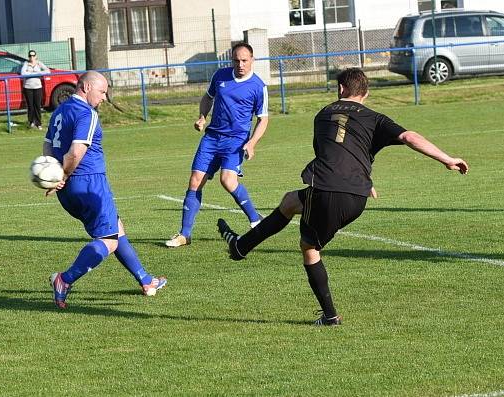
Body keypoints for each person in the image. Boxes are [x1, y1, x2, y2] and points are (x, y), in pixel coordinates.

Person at [217, 67, 469, 326]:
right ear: (366, 93)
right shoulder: (375, 118)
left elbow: (331, 152)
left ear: (340, 90)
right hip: (357, 198)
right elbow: (408, 136)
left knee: (309, 248)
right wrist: (447, 159)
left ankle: (330, 316)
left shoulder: (322, 114)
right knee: (290, 201)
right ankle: (240, 247)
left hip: (327, 191)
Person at [43, 71, 166, 309]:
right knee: (108, 240)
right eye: (102, 92)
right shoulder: (86, 113)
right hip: (88, 183)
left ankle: (146, 280)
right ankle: (64, 279)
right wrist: (65, 173)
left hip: (66, 190)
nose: (104, 97)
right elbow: (77, 151)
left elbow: (48, 144)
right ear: (87, 87)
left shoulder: (59, 111)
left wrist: (54, 175)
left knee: (116, 229)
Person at [165, 42, 269, 248]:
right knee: (195, 181)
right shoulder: (220, 76)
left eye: (244, 61)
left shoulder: (258, 86)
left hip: (236, 141)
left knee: (227, 180)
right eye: (236, 60)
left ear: (252, 60)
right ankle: (185, 234)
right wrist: (202, 117)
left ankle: (256, 219)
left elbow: (263, 119)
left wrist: (252, 142)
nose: (240, 64)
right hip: (212, 138)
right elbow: (208, 97)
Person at [21, 50, 50, 130]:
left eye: (33, 55)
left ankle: (38, 123)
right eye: (30, 56)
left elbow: (47, 71)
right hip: (28, 87)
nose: (32, 57)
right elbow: (23, 73)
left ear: (36, 56)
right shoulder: (26, 64)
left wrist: (37, 73)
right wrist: (35, 74)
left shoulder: (39, 63)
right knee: (30, 106)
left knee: (37, 105)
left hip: (38, 87)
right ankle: (31, 122)